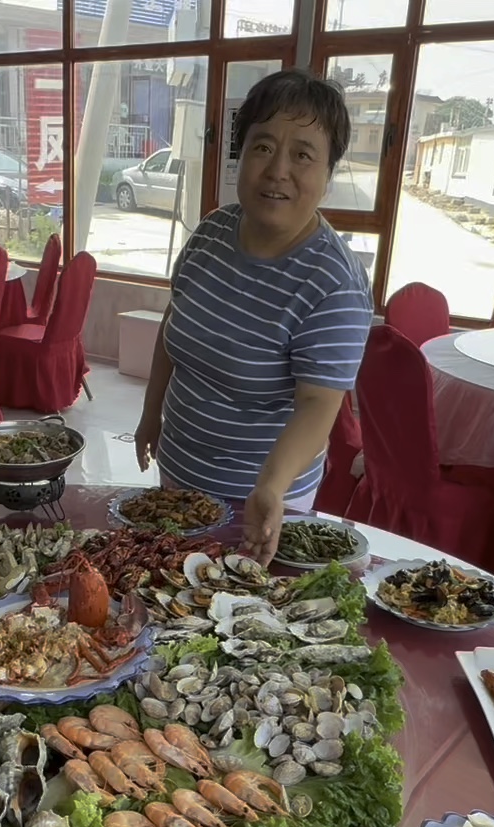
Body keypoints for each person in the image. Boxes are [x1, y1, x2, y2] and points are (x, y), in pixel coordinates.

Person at [133, 69, 371, 564]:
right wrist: (151, 413)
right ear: (240, 156)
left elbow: (317, 406)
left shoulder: (334, 283)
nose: (278, 170)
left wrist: (270, 486)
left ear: (328, 173)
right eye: (263, 147)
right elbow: (173, 328)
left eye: (303, 154)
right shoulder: (211, 233)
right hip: (179, 470)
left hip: (258, 501)